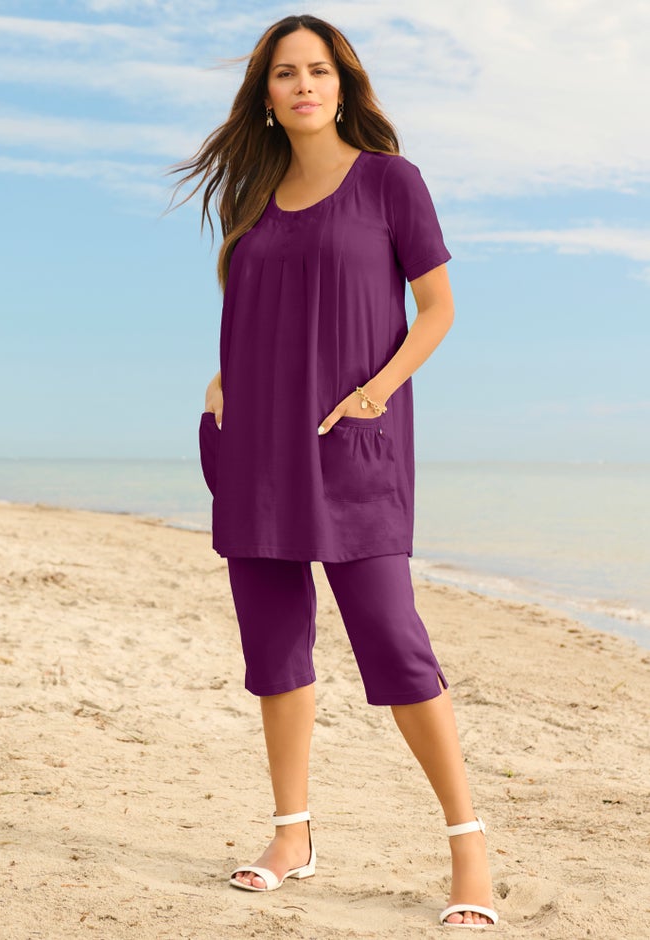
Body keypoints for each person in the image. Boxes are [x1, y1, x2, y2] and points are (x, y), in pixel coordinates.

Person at [174, 14, 498, 929]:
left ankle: (468, 848)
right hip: (254, 447)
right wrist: (222, 382)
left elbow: (436, 308)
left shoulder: (391, 182)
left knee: (394, 643)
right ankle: (292, 836)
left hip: (353, 445)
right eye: (286, 74)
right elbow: (254, 310)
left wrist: (376, 393)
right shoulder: (251, 196)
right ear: (266, 97)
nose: (304, 86)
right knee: (273, 649)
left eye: (318, 71)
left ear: (342, 85)